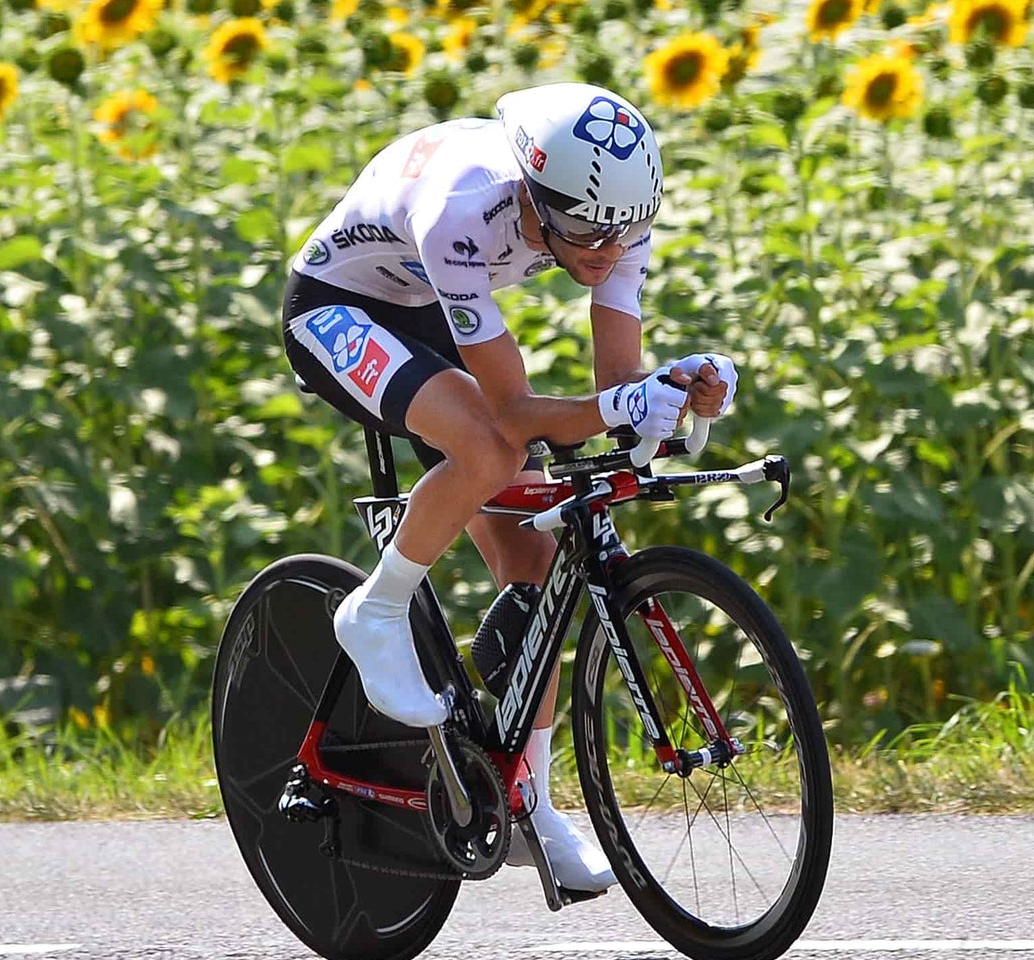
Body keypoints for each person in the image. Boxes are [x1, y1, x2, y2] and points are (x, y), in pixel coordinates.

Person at [280, 82, 738, 894]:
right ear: (533, 189)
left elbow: (616, 384)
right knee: (492, 448)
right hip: (339, 305)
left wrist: (674, 391)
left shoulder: (617, 214)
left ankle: (531, 802)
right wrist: (616, 405)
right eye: (585, 231)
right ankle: (376, 609)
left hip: (424, 304)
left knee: (534, 569)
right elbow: (514, 410)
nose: (605, 249)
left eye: (623, 231)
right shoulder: (469, 205)